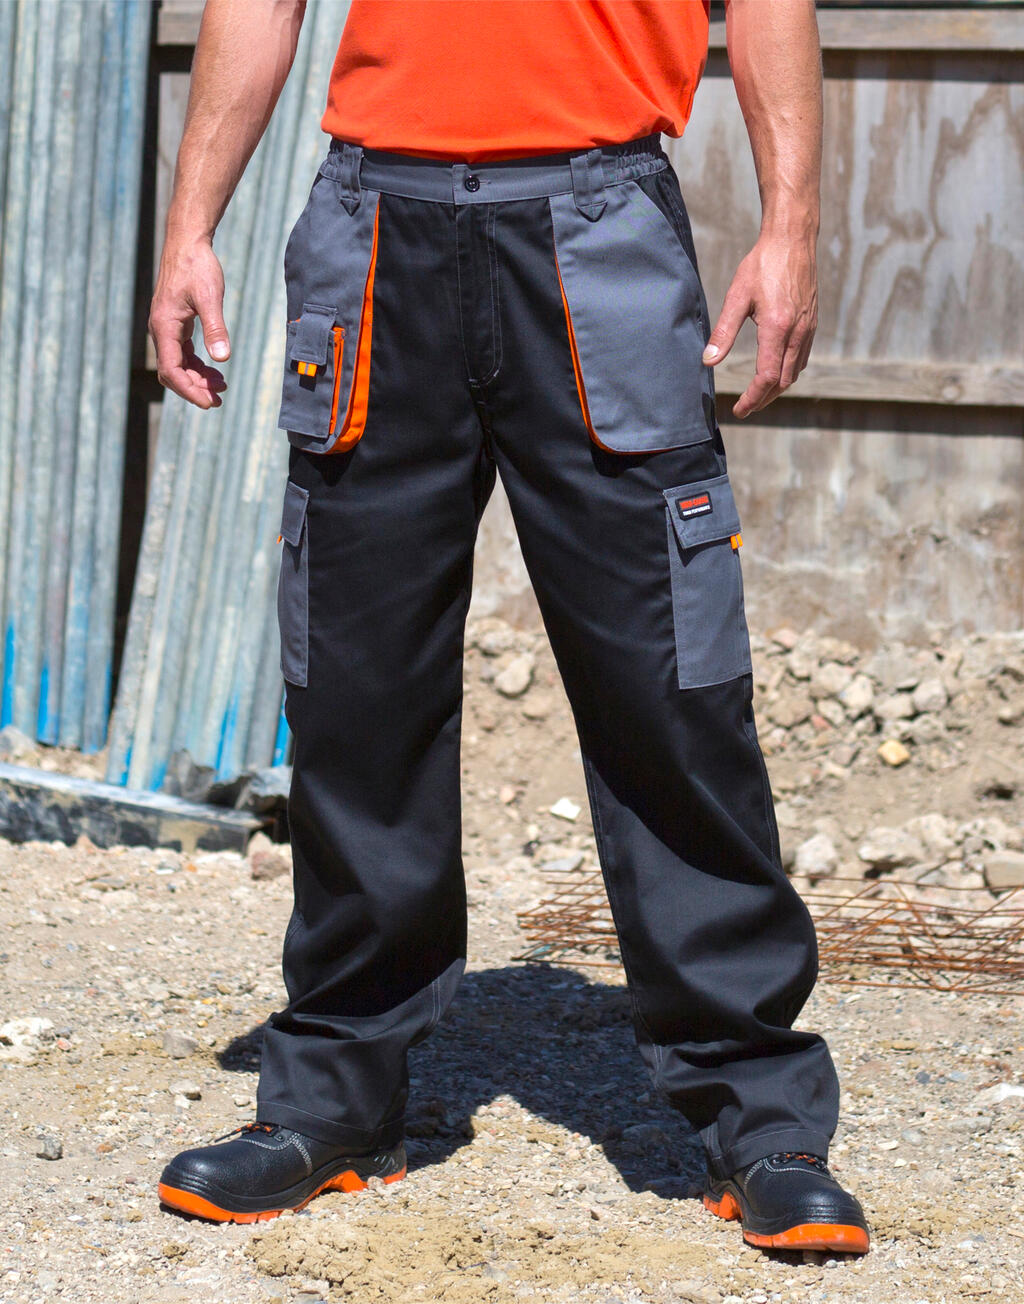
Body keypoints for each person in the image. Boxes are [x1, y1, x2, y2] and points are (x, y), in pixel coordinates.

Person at [149, 0, 870, 1254]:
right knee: (355, 685)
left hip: (598, 232)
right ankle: (332, 1093)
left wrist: (790, 222)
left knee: (670, 680)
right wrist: (189, 227)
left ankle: (761, 1112)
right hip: (375, 230)